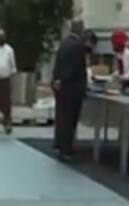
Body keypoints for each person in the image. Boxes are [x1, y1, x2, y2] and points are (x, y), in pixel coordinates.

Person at [52, 23, 95, 160]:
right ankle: (66, 149)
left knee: (61, 117)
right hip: (71, 89)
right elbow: (74, 69)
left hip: (61, 88)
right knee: (70, 120)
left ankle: (59, 145)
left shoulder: (64, 43)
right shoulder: (77, 47)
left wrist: (57, 80)